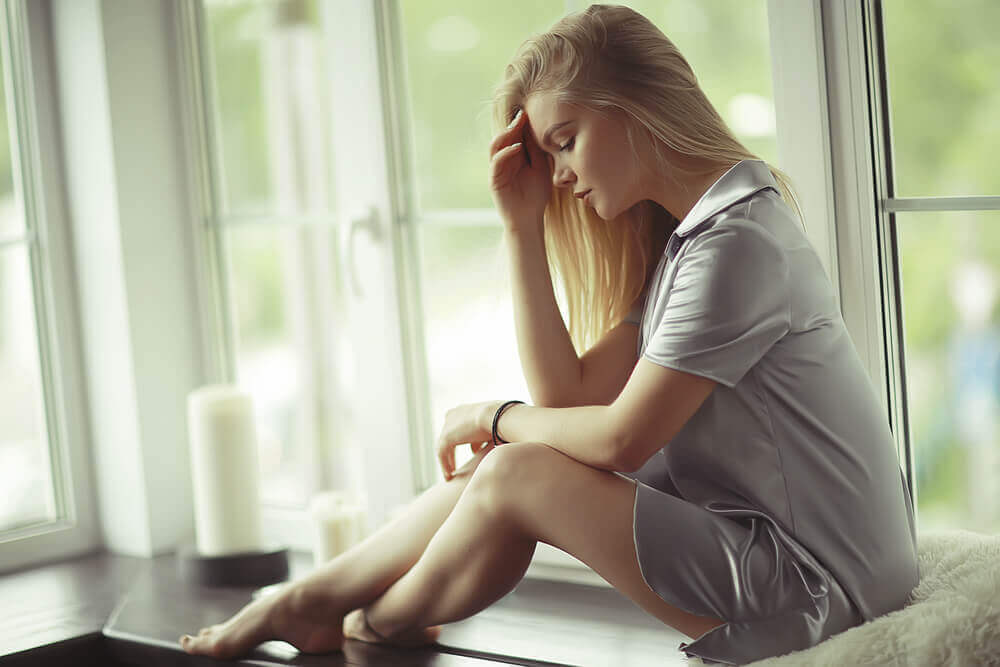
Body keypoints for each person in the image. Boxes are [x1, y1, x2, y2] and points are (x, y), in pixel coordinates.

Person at [180, 4, 919, 664]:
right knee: (516, 459)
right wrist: (520, 225)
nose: (560, 173)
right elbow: (566, 398)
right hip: (793, 560)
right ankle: (315, 598)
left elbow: (618, 441)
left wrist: (490, 415)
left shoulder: (739, 245)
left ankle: (374, 620)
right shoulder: (694, 245)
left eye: (566, 141)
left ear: (635, 107)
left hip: (823, 589)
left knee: (515, 466)